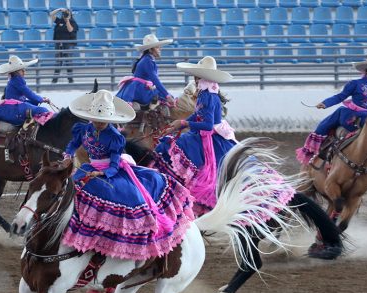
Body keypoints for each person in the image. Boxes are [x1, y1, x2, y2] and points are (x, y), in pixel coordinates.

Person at [62, 90, 194, 263]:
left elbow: (115, 162)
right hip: (89, 168)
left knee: (116, 197)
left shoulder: (115, 137)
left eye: (104, 121)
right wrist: (67, 156)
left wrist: (104, 172)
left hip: (110, 171)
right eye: (97, 120)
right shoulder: (83, 129)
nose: (100, 123)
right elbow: (73, 145)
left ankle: (109, 240)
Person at [155, 56, 238, 215]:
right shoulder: (207, 91)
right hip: (209, 133)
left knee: (174, 148)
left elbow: (207, 124)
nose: (194, 77)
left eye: (196, 75)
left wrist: (184, 124)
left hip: (209, 136)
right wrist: (180, 122)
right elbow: (197, 114)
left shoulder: (206, 95)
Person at [296, 52, 367, 166]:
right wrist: (326, 103)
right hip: (354, 114)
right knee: (329, 121)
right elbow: (340, 97)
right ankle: (316, 149)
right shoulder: (355, 84)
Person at [115, 34, 175, 108]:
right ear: (150, 49)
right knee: (165, 97)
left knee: (163, 95)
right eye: (157, 47)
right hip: (140, 89)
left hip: (138, 87)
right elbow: (155, 80)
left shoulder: (147, 59)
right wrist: (167, 95)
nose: (160, 49)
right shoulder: (147, 60)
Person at [50, 7, 78, 84]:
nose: (64, 15)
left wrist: (67, 20)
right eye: (63, 14)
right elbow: (51, 14)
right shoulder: (59, 21)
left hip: (68, 45)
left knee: (68, 62)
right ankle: (55, 80)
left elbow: (70, 30)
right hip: (59, 44)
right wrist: (59, 9)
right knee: (58, 62)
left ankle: (70, 80)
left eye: (66, 14)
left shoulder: (73, 22)